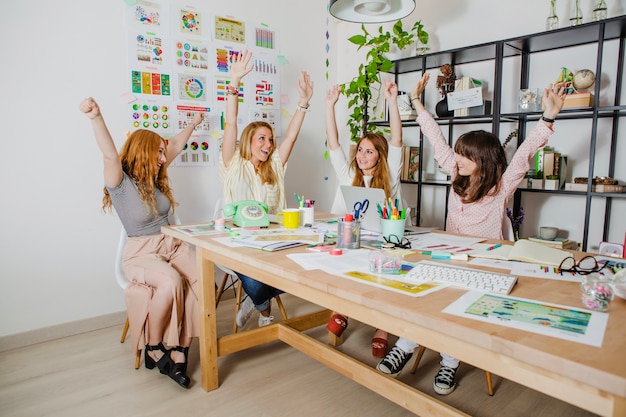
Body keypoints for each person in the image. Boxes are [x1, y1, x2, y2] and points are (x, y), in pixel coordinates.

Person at [376, 74, 567, 395]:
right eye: (459, 153)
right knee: (424, 295)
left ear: (484, 161)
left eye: (465, 155)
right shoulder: (456, 172)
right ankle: (406, 346)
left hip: (485, 264)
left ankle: (447, 362)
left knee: (455, 304)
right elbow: (435, 138)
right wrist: (419, 103)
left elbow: (524, 152)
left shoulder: (501, 186)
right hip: (449, 257)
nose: (458, 158)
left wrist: (548, 116)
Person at [80, 97, 203, 388]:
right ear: (144, 151)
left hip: (172, 244)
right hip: (141, 252)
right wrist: (97, 117)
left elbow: (174, 145)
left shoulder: (155, 177)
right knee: (171, 282)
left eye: (163, 153)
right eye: (158, 153)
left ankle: (181, 348)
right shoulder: (121, 184)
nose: (163, 158)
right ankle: (155, 344)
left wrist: (193, 125)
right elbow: (110, 155)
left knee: (202, 279)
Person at [220, 50, 314, 329]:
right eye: (262, 138)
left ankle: (257, 301)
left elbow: (293, 135)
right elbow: (230, 124)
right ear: (249, 140)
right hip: (238, 242)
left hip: (275, 240)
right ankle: (260, 302)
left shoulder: (275, 164)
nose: (269, 144)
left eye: (271, 139)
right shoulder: (232, 163)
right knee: (257, 284)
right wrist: (234, 83)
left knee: (308, 273)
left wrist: (304, 103)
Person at [325, 79, 403, 358]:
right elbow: (333, 143)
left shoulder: (390, 175)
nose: (362, 155)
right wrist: (329, 105)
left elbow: (396, 140)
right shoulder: (349, 174)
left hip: (385, 242)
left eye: (369, 151)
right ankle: (342, 309)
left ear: (380, 156)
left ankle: (382, 329)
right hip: (356, 240)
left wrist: (392, 101)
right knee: (344, 260)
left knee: (386, 270)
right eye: (360, 150)